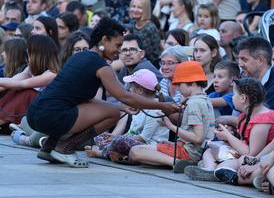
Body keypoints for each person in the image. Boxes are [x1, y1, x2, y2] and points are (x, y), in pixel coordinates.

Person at [26, 17, 178, 168]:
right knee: (113, 114)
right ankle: (66, 148)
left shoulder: (79, 57)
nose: (119, 51)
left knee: (113, 109)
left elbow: (86, 99)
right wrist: (164, 106)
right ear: (104, 40)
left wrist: (122, 107)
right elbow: (126, 96)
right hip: (51, 116)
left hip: (35, 113)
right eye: (118, 45)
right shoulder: (100, 66)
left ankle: (48, 147)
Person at [185, 77, 274, 182]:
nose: (232, 97)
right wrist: (230, 134)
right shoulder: (246, 115)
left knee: (231, 163)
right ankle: (210, 169)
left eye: (234, 94)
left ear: (243, 98)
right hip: (243, 154)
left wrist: (228, 136)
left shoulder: (263, 120)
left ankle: (218, 170)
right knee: (209, 150)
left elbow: (251, 154)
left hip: (257, 159)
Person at [129, 61, 217, 173]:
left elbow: (197, 138)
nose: (178, 88)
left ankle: (176, 162)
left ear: (193, 83)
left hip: (187, 152)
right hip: (194, 151)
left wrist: (170, 126)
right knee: (140, 153)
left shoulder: (194, 104)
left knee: (135, 151)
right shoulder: (205, 100)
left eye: (180, 84)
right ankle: (176, 162)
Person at [85, 69, 170, 163]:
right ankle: (115, 153)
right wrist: (112, 138)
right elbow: (131, 132)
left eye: (131, 87)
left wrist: (117, 139)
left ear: (140, 90)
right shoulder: (139, 107)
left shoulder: (154, 111)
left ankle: (101, 153)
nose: (129, 90)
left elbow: (143, 138)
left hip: (149, 146)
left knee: (119, 141)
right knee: (102, 137)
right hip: (134, 142)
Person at [0, 35, 60, 130]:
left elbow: (22, 84)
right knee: (12, 89)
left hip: (48, 112)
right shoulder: (30, 69)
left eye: (29, 54)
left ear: (37, 54)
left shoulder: (51, 74)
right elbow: (13, 80)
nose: (28, 58)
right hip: (32, 110)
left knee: (27, 92)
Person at [237, 36, 274, 115]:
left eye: (244, 59)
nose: (240, 64)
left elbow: (265, 120)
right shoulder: (246, 82)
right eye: (238, 59)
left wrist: (230, 120)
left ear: (260, 60)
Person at [129, 0, 162, 69]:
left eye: (139, 7)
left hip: (150, 67)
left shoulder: (150, 28)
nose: (135, 10)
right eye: (133, 6)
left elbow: (154, 55)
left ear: (146, 9)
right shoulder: (132, 24)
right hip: (134, 63)